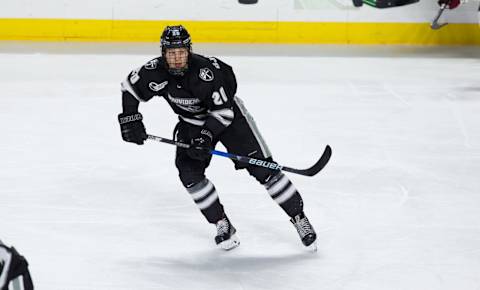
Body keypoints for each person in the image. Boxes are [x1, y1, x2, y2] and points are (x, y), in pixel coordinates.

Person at [117, 25, 317, 251]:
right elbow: (129, 87)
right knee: (189, 175)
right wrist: (130, 119)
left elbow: (223, 112)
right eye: (171, 53)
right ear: (163, 53)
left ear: (189, 51)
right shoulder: (153, 71)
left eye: (181, 52)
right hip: (190, 124)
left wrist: (206, 136)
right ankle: (222, 223)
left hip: (230, 121)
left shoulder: (206, 72)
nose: (177, 58)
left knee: (264, 170)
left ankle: (299, 218)